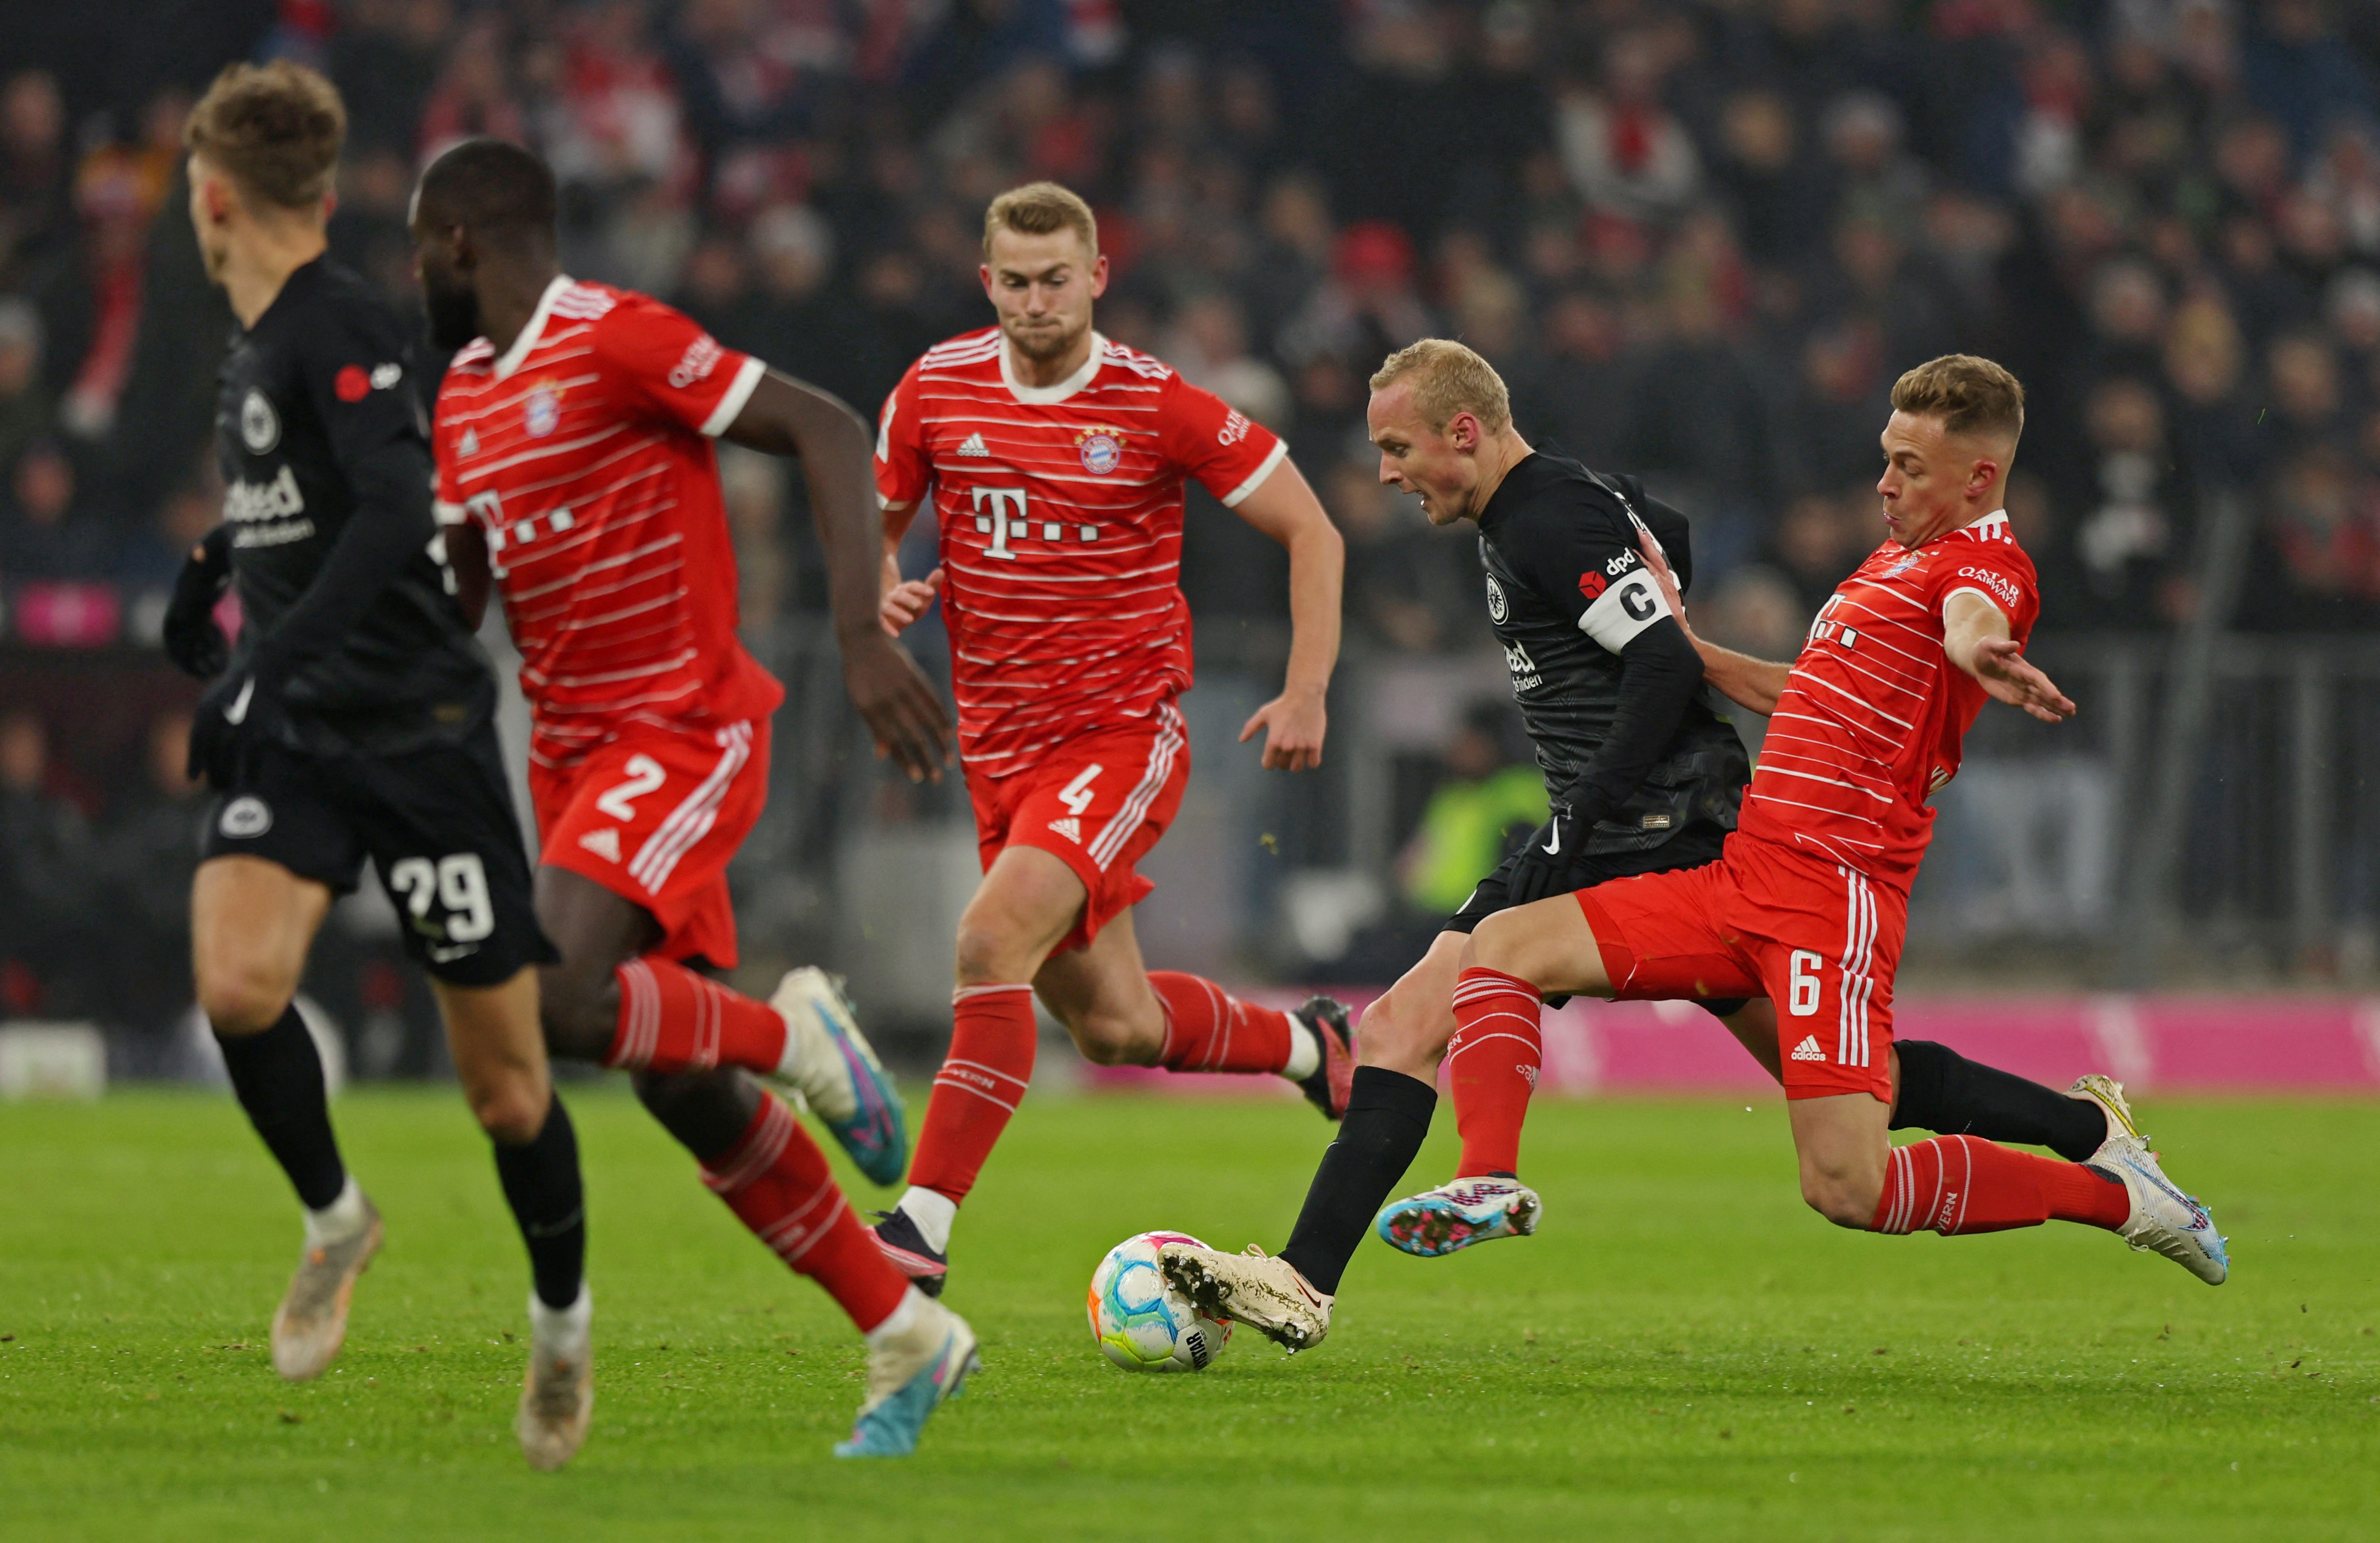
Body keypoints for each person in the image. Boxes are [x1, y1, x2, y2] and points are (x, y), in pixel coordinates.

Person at [1159, 341, 2149, 1351]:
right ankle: (2090, 1135)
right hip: (1694, 822)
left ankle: (1405, 1223)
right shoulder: (1588, 504)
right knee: (1852, 1101)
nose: (1385, 472)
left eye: (1396, 447)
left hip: (1649, 820)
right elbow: (1663, 560)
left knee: (1423, 1011)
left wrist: (1580, 815)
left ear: (1466, 432)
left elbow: (1678, 654)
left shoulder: (1549, 512)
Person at [1410, 354, 2224, 1288]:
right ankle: (1486, 1182)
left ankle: (2123, 1198)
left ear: (1980, 479)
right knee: (1502, 945)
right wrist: (1674, 644)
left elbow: (1970, 619)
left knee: (1848, 1185)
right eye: (1886, 458)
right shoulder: (1889, 561)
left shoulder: (1984, 568)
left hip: (1830, 904)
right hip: (1741, 876)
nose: (1883, 483)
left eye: (1910, 468)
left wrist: (1982, 654)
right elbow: (1802, 695)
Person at [410, 137, 973, 1459]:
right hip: (571, 760)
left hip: (681, 723)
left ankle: (795, 1036)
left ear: (459, 246)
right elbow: (458, 604)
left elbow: (822, 425)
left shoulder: (616, 337)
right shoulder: (459, 401)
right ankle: (907, 1331)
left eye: (416, 251)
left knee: (546, 999)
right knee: (678, 1086)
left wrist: (856, 632)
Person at [165, 62, 590, 1468]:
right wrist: (217, 565)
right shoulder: (258, 339)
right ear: (322, 187)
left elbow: (398, 499)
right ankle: (337, 1218)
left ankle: (559, 1328)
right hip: (302, 742)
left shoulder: (335, 320)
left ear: (211, 197)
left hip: (418, 738)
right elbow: (323, 495)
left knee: (508, 1091)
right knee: (235, 983)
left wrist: (255, 664)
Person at [867, 182, 1350, 1296]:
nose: (1036, 301)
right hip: (996, 748)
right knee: (1118, 1027)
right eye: (1015, 281)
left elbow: (1310, 529)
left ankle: (919, 1227)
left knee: (989, 943)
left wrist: (1306, 687)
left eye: (1056, 278)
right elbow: (874, 514)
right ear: (987, 282)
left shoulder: (1154, 403)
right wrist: (881, 585)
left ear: (1095, 278)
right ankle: (1305, 1046)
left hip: (1117, 733)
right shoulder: (934, 387)